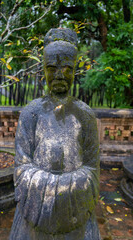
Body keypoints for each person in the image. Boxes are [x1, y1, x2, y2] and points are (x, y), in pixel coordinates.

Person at [9, 28, 101, 240]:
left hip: (76, 210)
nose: (60, 75)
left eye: (67, 68)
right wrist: (50, 186)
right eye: (52, 68)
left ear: (74, 71)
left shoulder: (85, 114)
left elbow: (92, 168)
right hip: (35, 212)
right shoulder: (31, 113)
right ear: (43, 70)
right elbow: (22, 167)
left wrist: (68, 186)